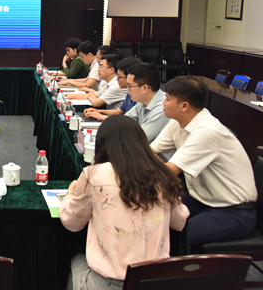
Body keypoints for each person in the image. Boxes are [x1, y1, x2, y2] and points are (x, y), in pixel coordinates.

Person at [60, 115, 189, 290]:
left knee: (76, 260)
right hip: (154, 281)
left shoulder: (94, 174)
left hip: (109, 283)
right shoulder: (163, 175)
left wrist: (70, 193)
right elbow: (179, 221)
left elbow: (72, 222)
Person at [151, 76, 257, 246]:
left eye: (167, 99)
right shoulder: (177, 123)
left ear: (184, 106)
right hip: (201, 199)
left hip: (233, 212)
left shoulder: (207, 131)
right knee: (150, 212)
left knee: (172, 237)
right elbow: (150, 151)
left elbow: (169, 171)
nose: (163, 102)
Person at [83, 56, 140, 121]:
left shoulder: (138, 98)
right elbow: (118, 112)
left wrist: (101, 116)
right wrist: (99, 111)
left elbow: (128, 121)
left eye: (120, 77)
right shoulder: (129, 93)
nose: (117, 79)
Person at [124, 63, 169, 142]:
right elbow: (124, 122)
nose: (127, 89)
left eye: (130, 86)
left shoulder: (163, 107)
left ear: (145, 88)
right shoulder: (142, 102)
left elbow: (141, 138)